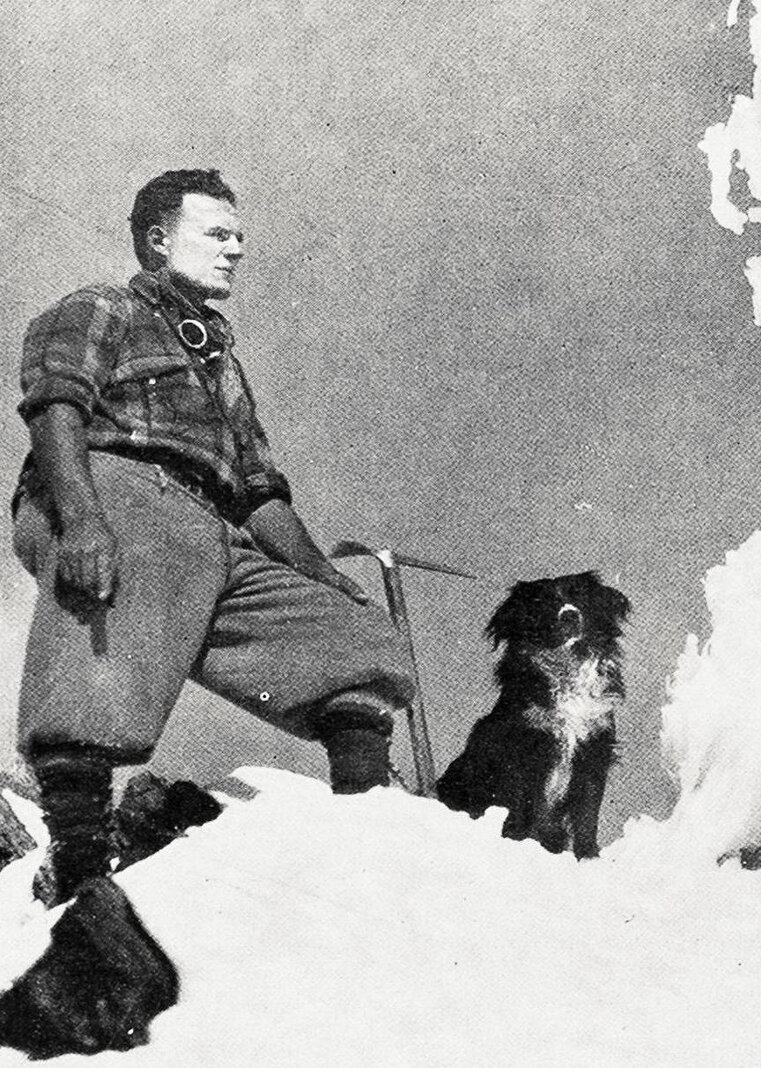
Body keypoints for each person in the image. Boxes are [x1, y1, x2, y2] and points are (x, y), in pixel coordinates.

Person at [12, 169, 416, 905]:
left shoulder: (219, 359)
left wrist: (319, 572)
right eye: (217, 234)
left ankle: (367, 826)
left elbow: (258, 490)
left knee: (358, 636)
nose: (235, 249)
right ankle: (78, 862)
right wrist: (83, 517)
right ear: (158, 241)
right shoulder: (102, 307)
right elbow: (56, 406)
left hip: (211, 528)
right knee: (102, 636)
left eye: (239, 237)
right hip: (115, 486)